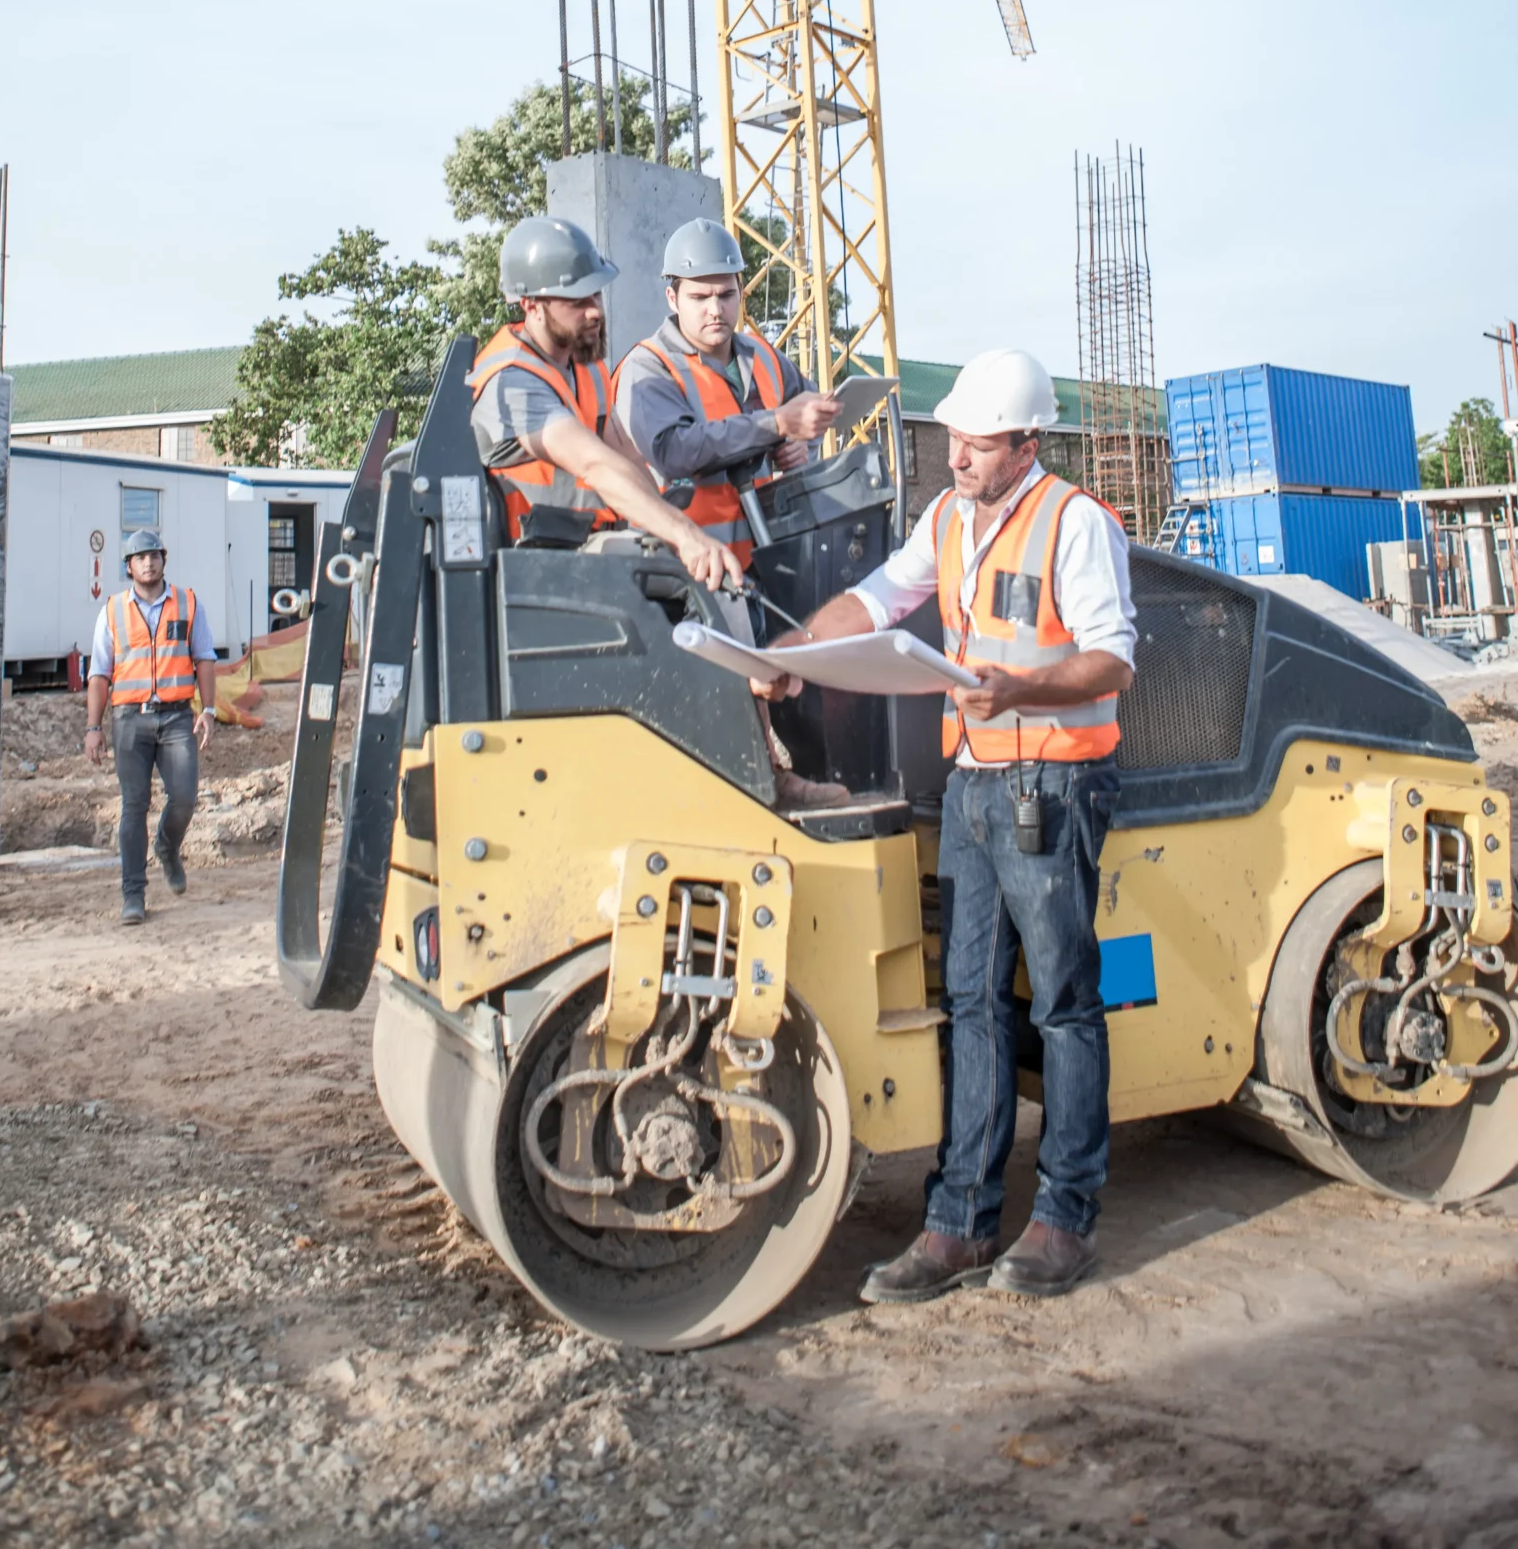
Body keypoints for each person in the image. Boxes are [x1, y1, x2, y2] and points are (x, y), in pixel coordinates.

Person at [756, 348, 1135, 1298]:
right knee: (967, 1000)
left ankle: (1063, 1218)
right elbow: (880, 598)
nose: (957, 455)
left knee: (1061, 1003)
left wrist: (1022, 688)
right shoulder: (949, 518)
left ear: (1026, 444)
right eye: (956, 439)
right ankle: (958, 1222)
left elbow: (1112, 660)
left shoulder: (1074, 524)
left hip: (1050, 789)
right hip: (975, 788)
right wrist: (789, 651)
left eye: (977, 444)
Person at [617, 215, 847, 808]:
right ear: (672, 297)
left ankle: (785, 779)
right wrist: (775, 424)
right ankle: (757, 790)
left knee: (789, 675)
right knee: (723, 689)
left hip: (767, 555)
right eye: (700, 297)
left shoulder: (763, 357)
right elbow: (675, 448)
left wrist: (802, 438)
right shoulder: (648, 368)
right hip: (688, 563)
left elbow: (806, 402)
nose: (715, 309)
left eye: (726, 294)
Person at [468, 215, 744, 596]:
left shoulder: (586, 364)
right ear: (532, 306)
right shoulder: (511, 380)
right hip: (524, 579)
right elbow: (593, 464)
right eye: (577, 301)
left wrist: (667, 528)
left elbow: (623, 455)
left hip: (580, 560)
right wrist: (686, 536)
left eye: (596, 294)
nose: (595, 310)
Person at [84, 527, 216, 927]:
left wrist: (208, 710)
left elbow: (204, 658)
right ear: (129, 566)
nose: (148, 562)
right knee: (134, 806)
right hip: (129, 720)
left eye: (154, 555)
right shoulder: (112, 611)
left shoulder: (188, 603)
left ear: (163, 559)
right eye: (140, 557)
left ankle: (167, 846)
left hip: (177, 717)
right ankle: (133, 895)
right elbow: (99, 673)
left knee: (185, 798)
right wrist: (93, 727)